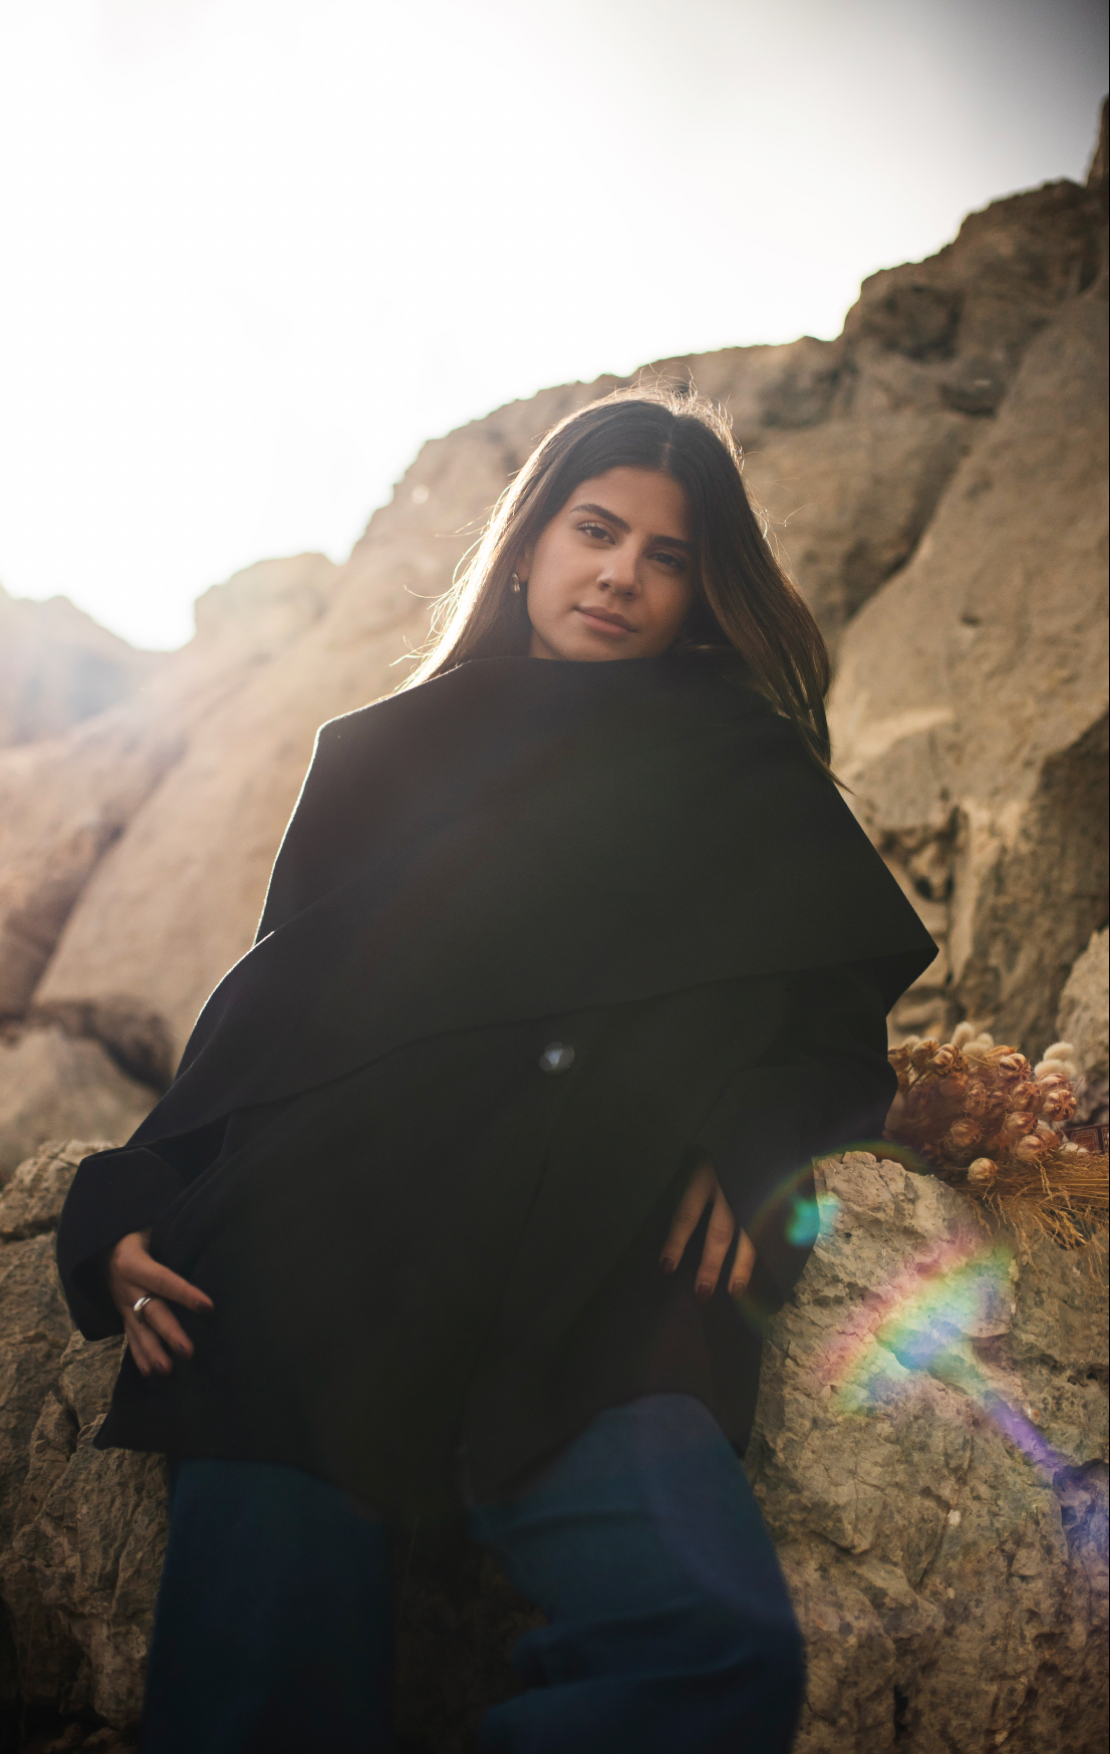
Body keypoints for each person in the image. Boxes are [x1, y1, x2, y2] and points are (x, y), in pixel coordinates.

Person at [57, 390, 935, 1753]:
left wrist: (760, 1136)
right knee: (256, 1720)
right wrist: (117, 1207)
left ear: (704, 588)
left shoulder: (744, 769)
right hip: (313, 1276)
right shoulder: (381, 754)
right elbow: (275, 1025)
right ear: (528, 541)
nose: (621, 573)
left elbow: (828, 1029)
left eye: (667, 553)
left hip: (585, 1278)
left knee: (711, 1655)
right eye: (596, 530)